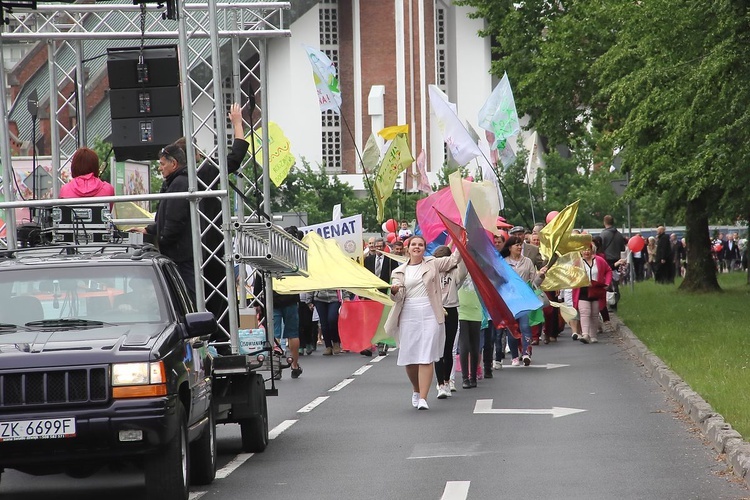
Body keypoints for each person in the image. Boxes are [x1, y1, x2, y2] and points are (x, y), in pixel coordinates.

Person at [384, 236, 461, 410]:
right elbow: (397, 296)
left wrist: (464, 242)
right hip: (408, 313)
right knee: (410, 359)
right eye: (414, 245)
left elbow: (453, 259)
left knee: (426, 355)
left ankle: (424, 398)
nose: (417, 247)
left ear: (425, 248)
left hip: (430, 312)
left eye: (420, 245)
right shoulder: (399, 271)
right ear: (408, 248)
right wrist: (395, 291)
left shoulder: (433, 263)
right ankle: (416, 389)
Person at [503, 235, 547, 366]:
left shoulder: (527, 262)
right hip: (510, 301)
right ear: (510, 247)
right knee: (512, 329)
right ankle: (515, 356)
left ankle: (526, 353)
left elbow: (534, 282)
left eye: (520, 244)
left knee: (525, 326)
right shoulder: (503, 262)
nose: (519, 247)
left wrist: (541, 276)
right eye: (516, 245)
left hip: (525, 300)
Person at [432, 245, 465, 398]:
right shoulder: (431, 271)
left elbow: (463, 272)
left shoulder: (455, 271)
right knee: (438, 350)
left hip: (451, 309)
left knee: (448, 349)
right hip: (436, 309)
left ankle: (446, 381)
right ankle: (440, 385)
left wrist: (463, 249)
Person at [364, 238, 397, 356]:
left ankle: (383, 344)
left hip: (384, 294)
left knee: (382, 320)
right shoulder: (368, 260)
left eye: (380, 247)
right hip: (371, 295)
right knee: (370, 320)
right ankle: (369, 345)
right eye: (376, 247)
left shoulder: (390, 260)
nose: (378, 249)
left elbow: (394, 276)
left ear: (384, 248)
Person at [573, 243, 612, 344]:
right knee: (585, 312)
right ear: (581, 252)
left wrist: (607, 283)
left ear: (592, 250)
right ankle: (585, 334)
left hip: (596, 290)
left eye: (588, 250)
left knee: (594, 313)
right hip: (582, 290)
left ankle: (593, 335)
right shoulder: (577, 262)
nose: (586, 252)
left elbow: (608, 270)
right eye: (584, 250)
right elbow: (572, 276)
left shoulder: (599, 260)